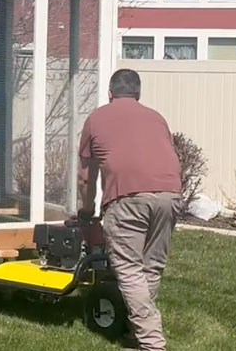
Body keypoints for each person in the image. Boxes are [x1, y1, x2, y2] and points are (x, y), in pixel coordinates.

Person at [77, 68, 182, 351]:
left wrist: (86, 212)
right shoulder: (157, 118)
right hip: (170, 195)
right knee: (151, 267)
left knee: (129, 270)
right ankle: (137, 333)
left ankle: (151, 344)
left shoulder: (96, 119)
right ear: (138, 94)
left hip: (128, 197)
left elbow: (86, 176)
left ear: (110, 94)